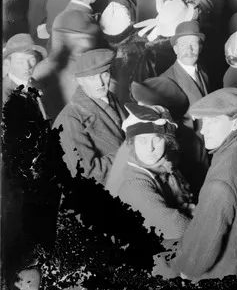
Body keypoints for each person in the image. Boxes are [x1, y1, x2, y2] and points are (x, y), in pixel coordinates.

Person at [155, 88, 237, 290]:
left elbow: (198, 259)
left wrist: (180, 268)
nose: (203, 131)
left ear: (236, 123)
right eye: (203, 122)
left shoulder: (222, 181)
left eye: (213, 122)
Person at [105, 103, 194, 246]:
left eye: (157, 139)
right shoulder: (135, 184)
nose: (150, 148)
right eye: (142, 140)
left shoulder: (164, 163)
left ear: (167, 141)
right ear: (132, 144)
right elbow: (178, 229)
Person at [53, 49, 127, 185]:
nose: (100, 83)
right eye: (91, 78)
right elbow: (87, 173)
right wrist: (130, 154)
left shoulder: (111, 98)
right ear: (80, 81)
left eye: (104, 74)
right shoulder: (69, 119)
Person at [159, 21, 210, 195]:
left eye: (193, 44)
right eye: (183, 45)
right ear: (175, 49)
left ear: (200, 47)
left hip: (207, 150)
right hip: (188, 157)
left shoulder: (203, 72)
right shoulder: (166, 80)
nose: (189, 50)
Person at [1, 33, 47, 107]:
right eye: (19, 62)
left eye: (31, 60)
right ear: (8, 64)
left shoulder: (37, 84)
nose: (27, 67)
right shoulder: (4, 94)